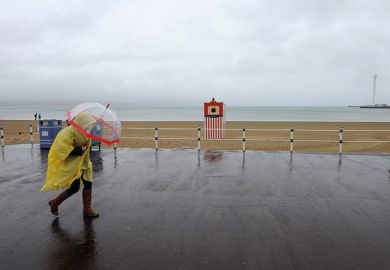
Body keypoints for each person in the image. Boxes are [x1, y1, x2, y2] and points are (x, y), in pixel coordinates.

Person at [41, 112, 99, 218]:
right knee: (74, 188)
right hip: (72, 164)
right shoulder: (68, 132)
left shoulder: (85, 131)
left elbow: (86, 145)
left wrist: (86, 146)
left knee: (88, 183)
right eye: (88, 124)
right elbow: (60, 149)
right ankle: (55, 203)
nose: (89, 126)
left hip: (84, 162)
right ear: (81, 122)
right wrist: (78, 149)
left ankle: (87, 209)